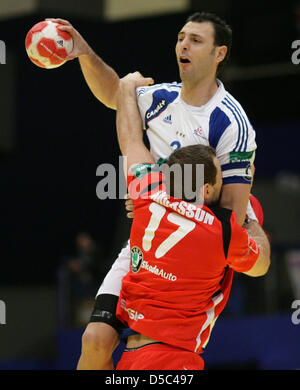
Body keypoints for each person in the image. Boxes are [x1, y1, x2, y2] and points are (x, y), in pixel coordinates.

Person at [46, 12, 259, 369]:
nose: (183, 45)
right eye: (180, 37)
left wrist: (165, 206)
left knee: (156, 356)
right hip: (146, 241)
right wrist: (84, 52)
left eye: (195, 40)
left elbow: (232, 211)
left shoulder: (230, 121)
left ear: (219, 54)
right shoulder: (161, 98)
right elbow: (118, 96)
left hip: (193, 252)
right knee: (95, 340)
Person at [113, 72, 269, 369]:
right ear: (206, 189)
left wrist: (125, 87)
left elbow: (131, 139)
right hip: (174, 359)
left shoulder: (148, 192)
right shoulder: (222, 232)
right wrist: (250, 218)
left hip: (131, 357)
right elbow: (261, 266)